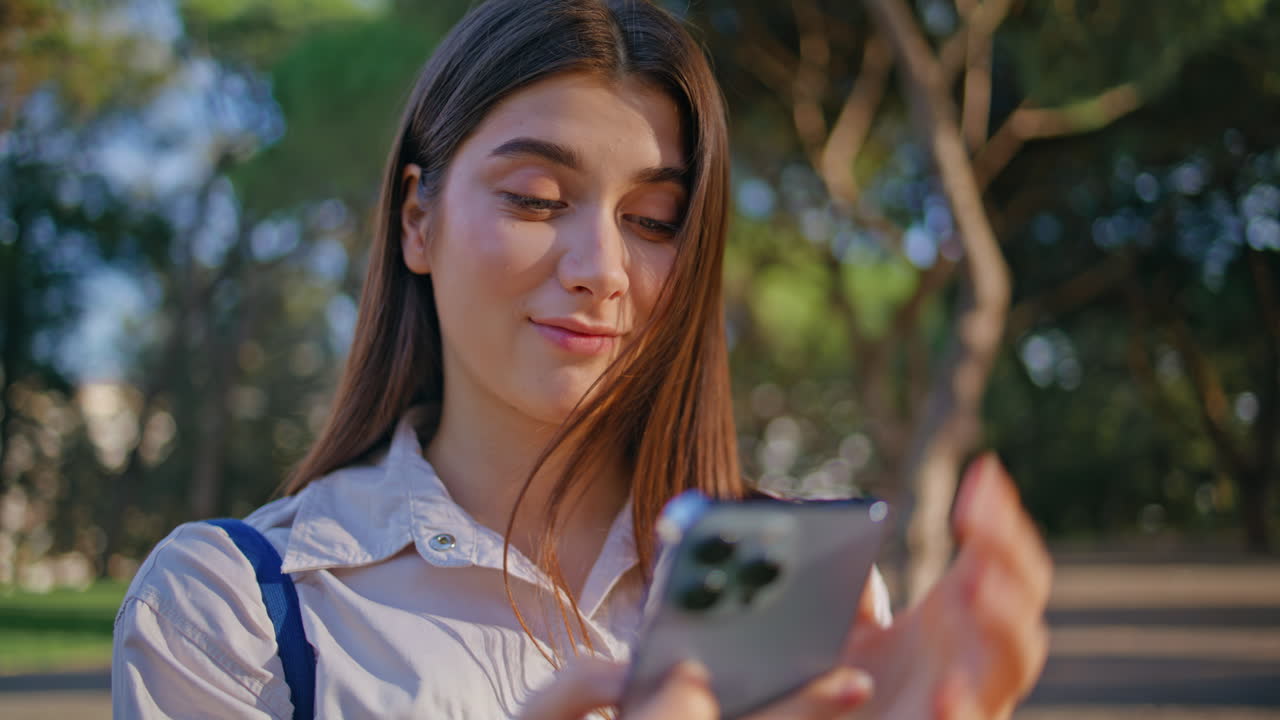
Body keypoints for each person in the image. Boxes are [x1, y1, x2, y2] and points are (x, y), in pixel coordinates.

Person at [112, 0, 1053, 717]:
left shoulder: (796, 586)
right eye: (535, 198)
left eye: (654, 220)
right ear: (417, 219)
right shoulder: (229, 612)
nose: (601, 269)